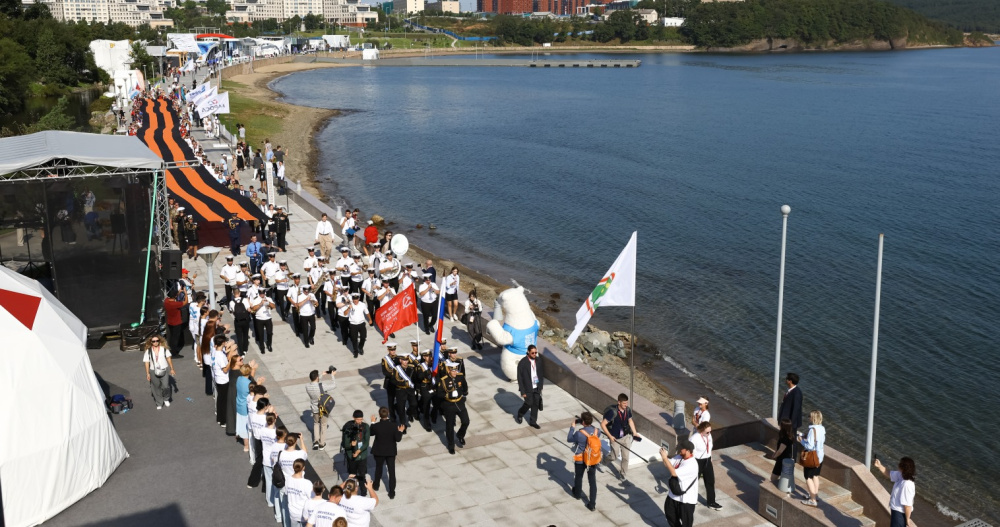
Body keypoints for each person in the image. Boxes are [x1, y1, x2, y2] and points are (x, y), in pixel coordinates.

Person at [600, 393, 643, 485]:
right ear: (619, 402)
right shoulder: (612, 412)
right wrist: (610, 436)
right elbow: (603, 424)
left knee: (625, 457)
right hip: (615, 438)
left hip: (626, 437)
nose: (626, 405)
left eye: (626, 403)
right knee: (614, 456)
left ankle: (623, 474)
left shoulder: (628, 410)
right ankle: (603, 463)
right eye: (624, 403)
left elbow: (630, 421)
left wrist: (635, 433)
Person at [661, 440, 699, 527]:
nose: (679, 449)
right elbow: (667, 464)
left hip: (686, 500)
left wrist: (665, 458)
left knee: (686, 523)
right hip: (673, 495)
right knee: (670, 516)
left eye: (682, 448)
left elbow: (674, 473)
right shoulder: (680, 457)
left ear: (688, 451)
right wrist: (663, 456)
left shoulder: (691, 464)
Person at [370, 407, 405, 499]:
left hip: (379, 451)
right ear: (388, 413)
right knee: (391, 472)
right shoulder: (393, 426)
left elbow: (370, 433)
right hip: (390, 452)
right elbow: (398, 439)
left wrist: (372, 422)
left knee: (378, 468)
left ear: (379, 415)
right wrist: (400, 431)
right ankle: (392, 492)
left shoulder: (376, 426)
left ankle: (376, 485)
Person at [568, 411, 600, 511]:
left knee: (579, 476)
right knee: (592, 481)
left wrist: (572, 427)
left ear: (582, 422)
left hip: (580, 459)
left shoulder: (579, 433)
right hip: (592, 459)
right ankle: (592, 504)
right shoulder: (597, 431)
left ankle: (577, 494)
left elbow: (569, 439)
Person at [874, 456, 916, 527]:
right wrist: (879, 466)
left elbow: (907, 506)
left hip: (900, 514)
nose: (898, 464)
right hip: (896, 511)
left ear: (903, 468)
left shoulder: (907, 484)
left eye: (900, 464)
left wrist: (907, 520)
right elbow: (888, 473)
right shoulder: (901, 475)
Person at [438, 364, 469, 454]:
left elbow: (464, 386)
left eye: (456, 370)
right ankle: (451, 445)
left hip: (459, 403)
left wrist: (464, 394)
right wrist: (448, 395)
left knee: (466, 421)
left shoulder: (460, 377)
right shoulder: (443, 380)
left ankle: (460, 435)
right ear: (449, 371)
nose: (455, 372)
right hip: (449, 405)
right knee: (450, 426)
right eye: (453, 371)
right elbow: (439, 394)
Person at [797, 409, 826, 507]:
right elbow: (819, 441)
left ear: (813, 418)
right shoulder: (822, 429)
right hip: (820, 456)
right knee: (815, 476)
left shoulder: (812, 430)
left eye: (809, 416)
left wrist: (801, 440)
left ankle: (812, 500)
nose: (808, 418)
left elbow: (809, 446)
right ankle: (815, 495)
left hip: (812, 457)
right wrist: (807, 436)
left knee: (808, 477)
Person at [691, 421, 722, 510]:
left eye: (710, 431)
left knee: (710, 481)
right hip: (697, 461)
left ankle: (711, 502)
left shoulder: (709, 436)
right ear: (701, 430)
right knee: (693, 482)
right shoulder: (694, 438)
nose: (709, 433)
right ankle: (692, 500)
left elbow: (710, 447)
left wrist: (710, 458)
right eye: (707, 432)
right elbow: (691, 453)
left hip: (707, 460)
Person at [341, 410, 371, 493]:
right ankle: (351, 491)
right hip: (351, 456)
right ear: (354, 418)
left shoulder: (365, 427)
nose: (359, 421)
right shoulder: (348, 428)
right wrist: (351, 444)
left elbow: (366, 442)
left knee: (362, 475)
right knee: (352, 475)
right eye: (358, 419)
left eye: (361, 419)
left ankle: (363, 492)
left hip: (362, 456)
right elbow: (345, 444)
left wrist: (358, 451)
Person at [306, 369, 337, 450]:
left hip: (314, 408)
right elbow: (334, 385)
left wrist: (322, 375)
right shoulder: (322, 386)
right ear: (317, 377)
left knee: (316, 423)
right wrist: (332, 375)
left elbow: (315, 383)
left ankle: (316, 441)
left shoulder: (307, 386)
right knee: (323, 425)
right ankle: (322, 444)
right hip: (323, 408)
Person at [142, 335, 175, 410]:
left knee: (165, 386)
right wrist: (147, 373)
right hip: (153, 370)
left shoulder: (164, 349)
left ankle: (166, 399)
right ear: (151, 342)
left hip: (164, 369)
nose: (155, 342)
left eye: (157, 341)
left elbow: (169, 358)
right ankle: (159, 402)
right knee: (156, 387)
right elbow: (146, 362)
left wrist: (172, 368)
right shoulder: (148, 351)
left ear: (159, 341)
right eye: (153, 341)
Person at [515, 344, 543, 429]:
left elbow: (541, 374)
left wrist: (540, 386)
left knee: (535, 404)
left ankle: (533, 422)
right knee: (529, 403)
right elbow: (520, 378)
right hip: (527, 388)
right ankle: (520, 413)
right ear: (528, 352)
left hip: (536, 387)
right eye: (532, 353)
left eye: (535, 352)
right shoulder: (523, 363)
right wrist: (522, 391)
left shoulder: (538, 360)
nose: (534, 354)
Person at [767, 418, 796, 486]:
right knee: (783, 476)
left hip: (782, 460)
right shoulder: (789, 435)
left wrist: (774, 456)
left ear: (783, 427)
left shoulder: (785, 438)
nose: (779, 425)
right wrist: (775, 452)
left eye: (781, 425)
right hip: (787, 458)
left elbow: (780, 451)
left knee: (773, 478)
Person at [285, 459, 314, 527]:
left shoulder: (288, 479)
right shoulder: (307, 483)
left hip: (293, 513)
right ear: (303, 468)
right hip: (304, 514)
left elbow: (286, 493)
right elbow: (312, 498)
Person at [250, 287, 276, 353]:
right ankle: (262, 347)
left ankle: (269, 344)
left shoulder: (268, 298)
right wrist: (260, 304)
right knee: (260, 334)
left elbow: (274, 306)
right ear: (259, 293)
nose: (262, 295)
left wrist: (268, 303)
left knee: (269, 333)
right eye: (261, 293)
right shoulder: (256, 299)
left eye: (263, 293)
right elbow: (253, 309)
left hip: (268, 318)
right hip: (259, 319)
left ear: (265, 293)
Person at [163, 288, 187, 359]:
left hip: (170, 322)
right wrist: (185, 294)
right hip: (176, 323)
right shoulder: (175, 304)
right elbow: (185, 302)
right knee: (175, 338)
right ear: (175, 296)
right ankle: (174, 353)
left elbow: (172, 297)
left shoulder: (166, 301)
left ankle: (171, 350)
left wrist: (178, 292)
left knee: (172, 337)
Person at [230, 288, 252, 354]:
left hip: (237, 321)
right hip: (245, 320)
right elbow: (248, 309)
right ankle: (245, 349)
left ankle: (241, 351)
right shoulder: (244, 300)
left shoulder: (231, 302)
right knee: (245, 335)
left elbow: (231, 311)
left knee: (239, 336)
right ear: (239, 293)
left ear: (233, 294)